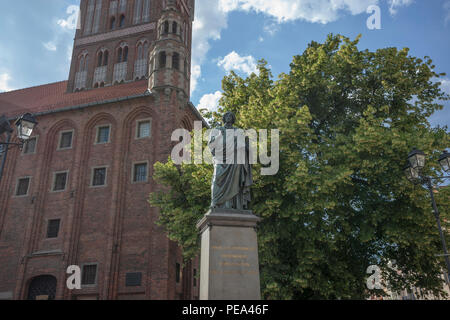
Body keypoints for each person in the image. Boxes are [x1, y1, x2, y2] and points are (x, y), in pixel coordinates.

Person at [208, 112, 252, 210]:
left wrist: (246, 142)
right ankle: (215, 202)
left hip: (234, 161)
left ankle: (231, 205)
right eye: (227, 116)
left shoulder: (238, 131)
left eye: (231, 116)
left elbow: (244, 146)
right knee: (217, 179)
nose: (229, 118)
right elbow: (211, 146)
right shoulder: (218, 130)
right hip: (220, 159)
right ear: (224, 118)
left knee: (234, 182)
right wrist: (220, 136)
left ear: (233, 119)